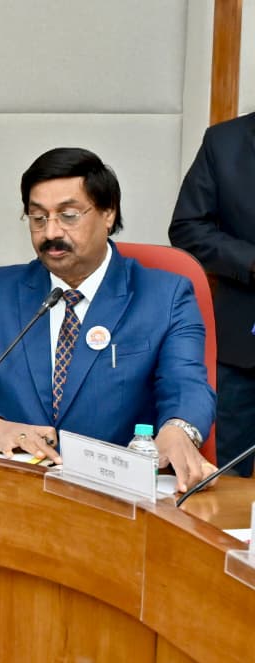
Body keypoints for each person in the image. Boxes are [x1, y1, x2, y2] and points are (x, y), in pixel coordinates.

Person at [0, 147, 215, 491]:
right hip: (14, 488)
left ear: (107, 213)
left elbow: (187, 384)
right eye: (38, 218)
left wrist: (179, 429)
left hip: (120, 496)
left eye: (68, 215)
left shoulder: (164, 294)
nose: (51, 232)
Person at [170, 112, 255, 477]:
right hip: (243, 349)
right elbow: (188, 226)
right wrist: (251, 261)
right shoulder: (225, 141)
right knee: (221, 478)